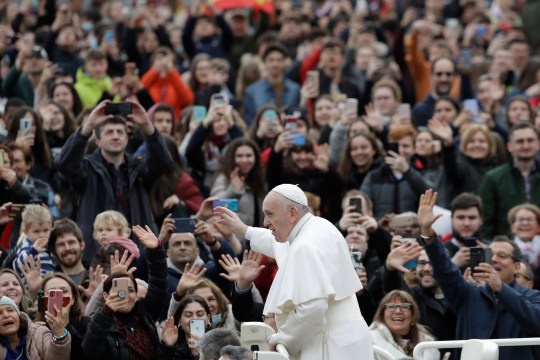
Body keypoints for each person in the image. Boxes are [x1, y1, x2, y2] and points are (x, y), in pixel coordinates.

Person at [215, 184, 373, 359]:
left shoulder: (305, 245)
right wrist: (244, 230)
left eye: (270, 214)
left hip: (332, 346)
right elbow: (280, 244)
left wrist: (284, 339)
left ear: (292, 213)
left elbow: (312, 308)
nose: (265, 222)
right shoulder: (317, 226)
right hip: (347, 339)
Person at [418, 189, 540, 360]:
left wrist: (501, 289)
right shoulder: (468, 294)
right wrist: (428, 234)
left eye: (503, 256)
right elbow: (444, 269)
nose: (495, 260)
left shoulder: (532, 297)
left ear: (517, 266)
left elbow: (536, 322)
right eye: (491, 255)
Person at [55, 99, 172, 262]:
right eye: (109, 132)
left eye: (120, 132)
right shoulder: (87, 169)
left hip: (138, 253)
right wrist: (88, 126)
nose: (115, 136)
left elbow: (163, 161)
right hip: (96, 255)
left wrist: (147, 125)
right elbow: (65, 163)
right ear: (97, 141)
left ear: (127, 138)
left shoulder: (139, 168)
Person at [81, 224, 168, 359]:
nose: (125, 294)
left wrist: (156, 252)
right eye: (119, 289)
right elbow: (90, 350)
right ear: (105, 295)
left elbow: (159, 284)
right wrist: (107, 311)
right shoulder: (96, 321)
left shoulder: (145, 314)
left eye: (131, 290)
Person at [479, 122, 540, 238]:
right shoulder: (493, 178)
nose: (526, 146)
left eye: (530, 140)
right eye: (520, 141)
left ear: (538, 144)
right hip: (506, 248)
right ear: (510, 146)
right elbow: (486, 223)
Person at [369, 290, 440, 360]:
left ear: (413, 314)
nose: (398, 311)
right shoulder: (370, 341)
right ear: (382, 314)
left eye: (404, 307)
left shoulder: (428, 342)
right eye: (391, 307)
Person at [0, 295, 71, 359]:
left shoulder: (39, 333)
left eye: (10, 310)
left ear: (19, 316)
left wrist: (59, 334)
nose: (6, 315)